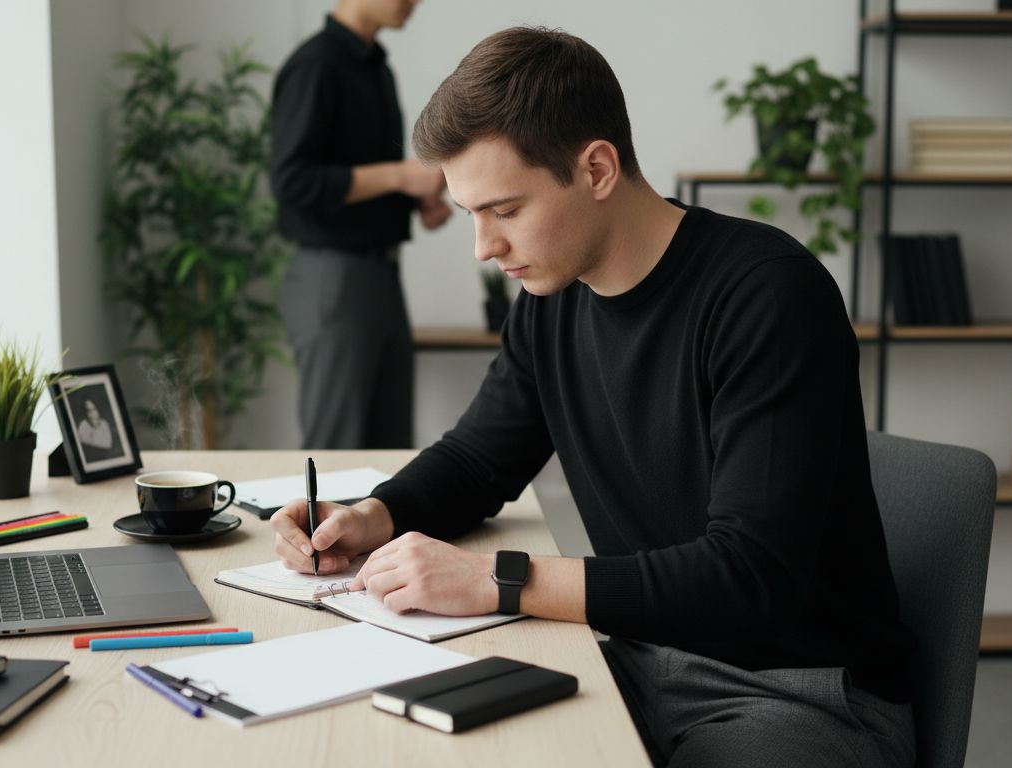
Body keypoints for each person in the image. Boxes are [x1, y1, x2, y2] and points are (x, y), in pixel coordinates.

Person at [270, 26, 916, 767]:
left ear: (598, 168)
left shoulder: (767, 296)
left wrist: (496, 580)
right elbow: (481, 457)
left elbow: (750, 577)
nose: (483, 246)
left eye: (505, 211)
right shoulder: (552, 300)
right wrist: (371, 516)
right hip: (636, 666)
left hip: (799, 694)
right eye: (471, 213)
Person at [270, 0, 451, 450]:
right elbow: (292, 181)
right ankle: (314, 526)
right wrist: (400, 175)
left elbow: (350, 175)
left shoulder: (376, 68)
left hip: (380, 275)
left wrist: (415, 200)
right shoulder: (315, 65)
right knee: (337, 446)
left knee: (388, 446)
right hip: (335, 278)